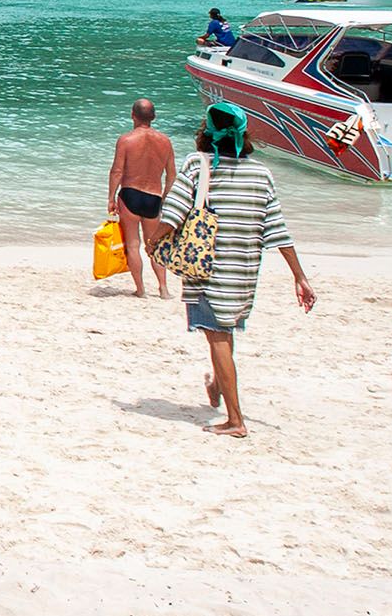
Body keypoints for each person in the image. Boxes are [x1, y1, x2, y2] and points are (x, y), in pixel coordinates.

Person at [150, 102, 316, 437]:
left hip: (208, 270)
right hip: (244, 273)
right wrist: (299, 276)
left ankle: (235, 420)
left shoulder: (198, 168)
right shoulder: (261, 174)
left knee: (218, 338)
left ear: (207, 132)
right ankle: (217, 383)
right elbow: (277, 230)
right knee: (221, 336)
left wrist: (152, 243)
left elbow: (172, 215)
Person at [106, 98, 176, 299]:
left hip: (130, 195)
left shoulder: (126, 140)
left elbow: (117, 171)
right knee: (154, 245)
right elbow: (171, 174)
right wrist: (164, 197)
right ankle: (163, 288)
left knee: (133, 245)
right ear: (153, 117)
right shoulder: (165, 141)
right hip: (153, 197)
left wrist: (111, 197)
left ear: (132, 115)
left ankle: (140, 289)